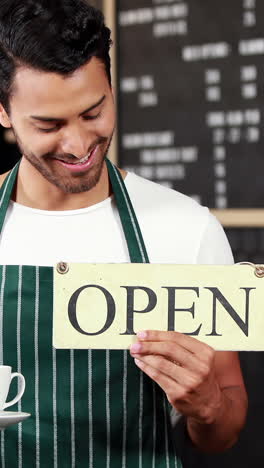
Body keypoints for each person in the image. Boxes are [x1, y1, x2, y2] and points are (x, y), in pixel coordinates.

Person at [0, 1, 247, 467]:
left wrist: (209, 406)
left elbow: (227, 429)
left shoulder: (187, 228)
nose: (78, 145)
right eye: (49, 124)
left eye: (93, 112)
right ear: (4, 112)